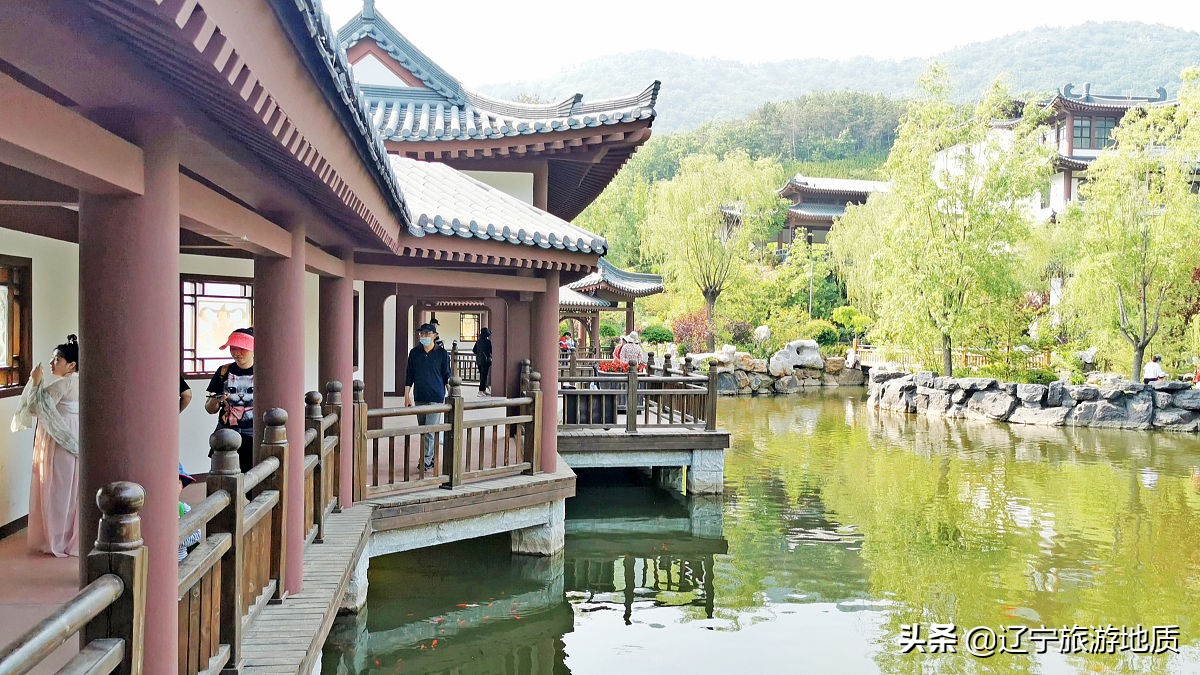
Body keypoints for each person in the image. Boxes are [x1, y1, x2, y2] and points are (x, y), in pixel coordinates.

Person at [11, 334, 80, 557]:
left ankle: (55, 539)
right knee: (71, 488)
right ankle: (68, 537)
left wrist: (36, 381)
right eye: (52, 359)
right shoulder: (79, 381)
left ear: (71, 365)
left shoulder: (64, 384)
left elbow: (35, 407)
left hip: (58, 440)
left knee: (56, 489)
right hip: (73, 435)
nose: (52, 363)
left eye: (57, 360)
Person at [205, 328, 255, 473]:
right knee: (221, 475)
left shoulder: (263, 371)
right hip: (226, 433)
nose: (236, 353)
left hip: (252, 433)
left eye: (242, 348)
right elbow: (210, 409)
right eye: (233, 348)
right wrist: (216, 400)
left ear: (252, 349)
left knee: (252, 478)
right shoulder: (223, 372)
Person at [405, 322, 451, 472]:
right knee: (423, 430)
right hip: (420, 396)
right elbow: (409, 375)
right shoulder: (414, 353)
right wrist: (407, 395)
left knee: (430, 430)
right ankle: (427, 458)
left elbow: (446, 375)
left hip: (436, 396)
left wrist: (451, 394)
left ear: (434, 335)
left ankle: (426, 460)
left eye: (427, 333)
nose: (424, 336)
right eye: (421, 334)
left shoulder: (442, 354)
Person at [177, 463, 203, 562]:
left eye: (177, 482)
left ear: (182, 486)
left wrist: (179, 540)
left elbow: (197, 533)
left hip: (181, 560)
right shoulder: (158, 511)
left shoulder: (184, 508)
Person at [472, 327, 493, 395]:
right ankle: (481, 391)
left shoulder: (478, 341)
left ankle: (483, 390)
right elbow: (491, 351)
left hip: (479, 361)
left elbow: (474, 350)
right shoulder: (487, 342)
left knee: (482, 376)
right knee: (484, 376)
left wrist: (479, 354)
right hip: (486, 361)